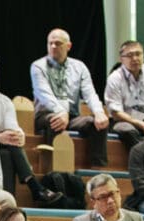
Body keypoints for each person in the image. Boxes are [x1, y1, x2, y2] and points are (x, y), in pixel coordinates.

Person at [0, 53, 60, 203]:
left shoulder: (5, 101)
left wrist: (19, 134)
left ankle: (7, 203)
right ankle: (34, 187)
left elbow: (12, 128)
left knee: (6, 154)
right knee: (8, 149)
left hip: (0, 149)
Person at [30, 28, 109, 167]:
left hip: (72, 116)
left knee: (97, 124)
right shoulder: (38, 66)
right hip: (46, 114)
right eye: (50, 43)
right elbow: (44, 94)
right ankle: (54, 169)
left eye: (58, 43)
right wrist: (61, 111)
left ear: (68, 46)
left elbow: (89, 92)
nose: (53, 46)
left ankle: (97, 169)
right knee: (56, 121)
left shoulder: (79, 67)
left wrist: (99, 112)